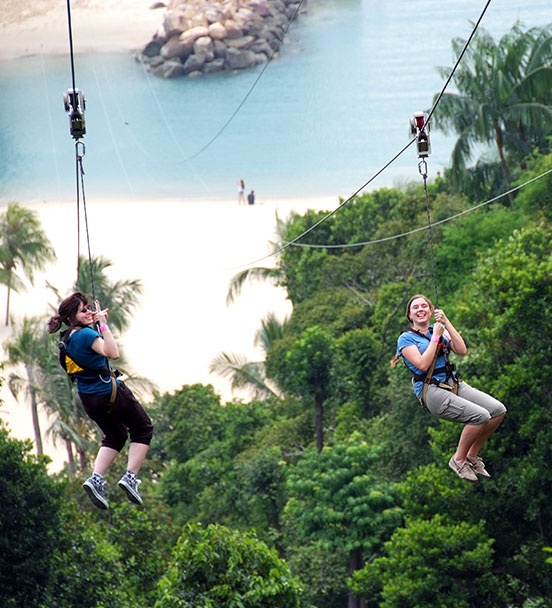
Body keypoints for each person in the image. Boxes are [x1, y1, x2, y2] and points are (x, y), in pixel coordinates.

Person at [47, 292, 153, 509]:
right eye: (83, 310)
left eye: (88, 308)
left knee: (116, 436)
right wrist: (103, 325)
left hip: (90, 400)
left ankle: (96, 478)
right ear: (70, 318)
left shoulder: (68, 339)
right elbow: (112, 352)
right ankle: (130, 477)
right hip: (109, 391)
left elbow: (88, 353)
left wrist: (96, 323)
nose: (88, 312)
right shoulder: (86, 335)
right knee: (143, 428)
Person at [393, 294, 506, 482]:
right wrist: (436, 337)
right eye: (415, 308)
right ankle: (458, 460)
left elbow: (462, 350)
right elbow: (422, 364)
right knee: (480, 416)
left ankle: (471, 455)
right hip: (431, 391)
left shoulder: (437, 329)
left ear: (430, 311)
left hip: (452, 383)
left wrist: (446, 323)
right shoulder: (406, 339)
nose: (420, 309)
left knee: (498, 411)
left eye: (424, 306)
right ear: (410, 315)